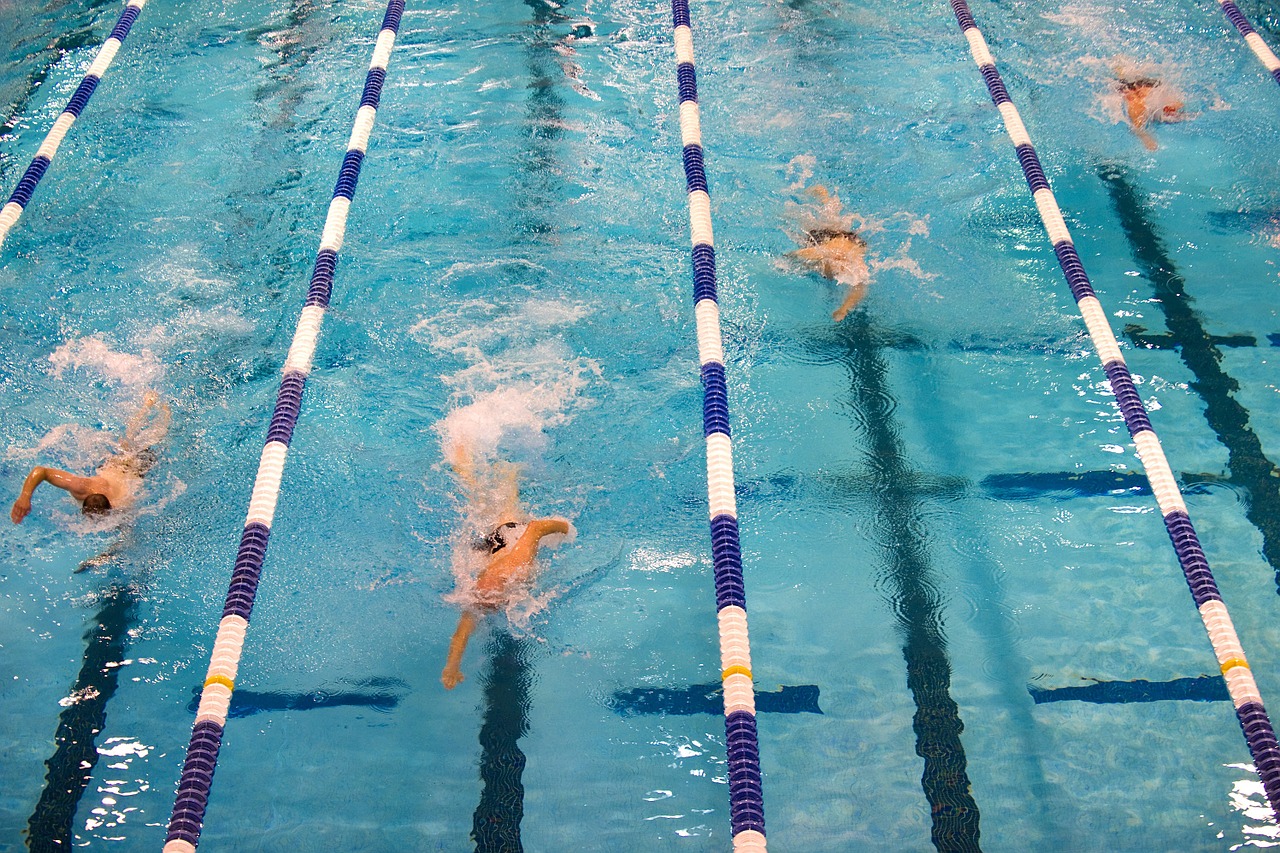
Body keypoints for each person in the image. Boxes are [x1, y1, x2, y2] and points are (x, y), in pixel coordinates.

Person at [440, 445, 571, 690]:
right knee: (478, 498)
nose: (485, 601)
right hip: (497, 544)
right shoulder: (480, 596)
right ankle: (465, 459)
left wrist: (567, 528)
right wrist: (451, 667)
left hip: (510, 531)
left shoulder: (518, 565)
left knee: (499, 496)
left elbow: (536, 528)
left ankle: (505, 468)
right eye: (485, 597)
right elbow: (460, 635)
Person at [10, 391, 170, 524]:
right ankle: (149, 405)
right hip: (117, 465)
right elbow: (41, 471)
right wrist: (25, 497)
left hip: (135, 469)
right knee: (129, 441)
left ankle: (164, 411)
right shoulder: (81, 486)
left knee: (150, 440)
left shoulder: (122, 503)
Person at [789, 185, 871, 321]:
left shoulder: (852, 265)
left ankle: (824, 197)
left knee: (830, 223)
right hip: (836, 243)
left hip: (845, 243)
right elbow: (801, 254)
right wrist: (789, 257)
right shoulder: (824, 257)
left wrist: (843, 309)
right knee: (823, 224)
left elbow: (860, 287)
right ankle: (823, 196)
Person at [1117, 72, 1184, 151]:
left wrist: (1174, 108)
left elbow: (1179, 105)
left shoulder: (1158, 94)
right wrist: (1147, 140)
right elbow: (1136, 128)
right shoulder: (1137, 106)